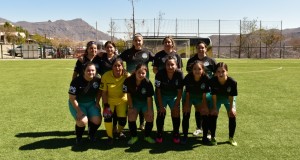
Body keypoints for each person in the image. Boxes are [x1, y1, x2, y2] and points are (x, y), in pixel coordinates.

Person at [119, 33, 155, 130]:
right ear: (133, 42)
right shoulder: (127, 52)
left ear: (142, 42)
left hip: (143, 82)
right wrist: (123, 70)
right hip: (131, 83)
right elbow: (117, 60)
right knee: (132, 102)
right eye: (136, 40)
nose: (138, 42)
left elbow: (157, 59)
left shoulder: (147, 52)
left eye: (139, 40)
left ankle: (142, 123)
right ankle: (128, 124)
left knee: (143, 100)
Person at [186, 41, 217, 137]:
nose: (200, 49)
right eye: (199, 48)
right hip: (195, 88)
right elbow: (190, 74)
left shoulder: (211, 60)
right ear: (196, 49)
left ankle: (208, 131)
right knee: (197, 108)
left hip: (208, 88)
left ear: (206, 49)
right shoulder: (191, 60)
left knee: (207, 109)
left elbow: (215, 73)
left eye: (202, 47)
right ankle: (199, 128)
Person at [68, 62, 102, 145]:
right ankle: (79, 137)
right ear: (84, 71)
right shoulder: (76, 81)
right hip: (77, 104)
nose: (91, 72)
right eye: (88, 70)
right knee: (82, 121)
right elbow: (72, 98)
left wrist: (97, 102)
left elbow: (100, 91)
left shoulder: (97, 79)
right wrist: (79, 111)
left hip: (91, 103)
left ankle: (91, 134)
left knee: (97, 120)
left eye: (93, 70)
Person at [123, 63, 156, 145]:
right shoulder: (128, 81)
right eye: (139, 72)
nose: (141, 75)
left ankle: (147, 136)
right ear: (135, 72)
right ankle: (134, 137)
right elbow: (128, 95)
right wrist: (130, 107)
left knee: (149, 117)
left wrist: (149, 110)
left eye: (143, 73)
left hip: (145, 102)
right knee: (131, 116)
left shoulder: (148, 83)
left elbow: (149, 98)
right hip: (134, 102)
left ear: (146, 73)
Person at [100, 58, 130, 145]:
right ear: (112, 67)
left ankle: (119, 132)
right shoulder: (105, 76)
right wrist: (106, 105)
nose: (117, 68)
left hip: (122, 100)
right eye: (115, 66)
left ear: (122, 66)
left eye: (119, 65)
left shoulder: (127, 75)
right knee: (108, 117)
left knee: (123, 120)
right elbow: (104, 92)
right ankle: (110, 136)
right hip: (109, 101)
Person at [154, 55, 184, 144]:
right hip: (161, 95)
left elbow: (180, 91)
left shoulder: (179, 73)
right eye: (168, 65)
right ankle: (159, 132)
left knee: (176, 112)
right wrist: (161, 106)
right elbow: (158, 90)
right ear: (165, 65)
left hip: (174, 96)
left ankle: (176, 132)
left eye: (172, 65)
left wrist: (176, 105)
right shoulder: (159, 73)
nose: (170, 67)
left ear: (176, 65)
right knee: (161, 112)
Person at [181, 61, 210, 144]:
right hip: (189, 96)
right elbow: (187, 92)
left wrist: (204, 106)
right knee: (186, 114)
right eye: (195, 69)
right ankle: (185, 136)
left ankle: (204, 137)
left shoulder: (206, 78)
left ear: (203, 70)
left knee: (204, 114)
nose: (197, 71)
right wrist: (186, 105)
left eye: (199, 69)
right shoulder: (188, 77)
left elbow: (205, 93)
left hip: (201, 96)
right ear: (192, 70)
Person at [209, 62, 238, 146]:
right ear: (215, 73)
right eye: (218, 71)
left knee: (232, 114)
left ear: (227, 72)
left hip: (228, 98)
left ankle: (231, 138)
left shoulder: (232, 82)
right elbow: (213, 95)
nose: (220, 73)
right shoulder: (213, 81)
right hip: (217, 98)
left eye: (223, 71)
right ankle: (213, 137)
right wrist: (214, 108)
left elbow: (231, 96)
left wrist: (232, 108)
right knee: (213, 114)